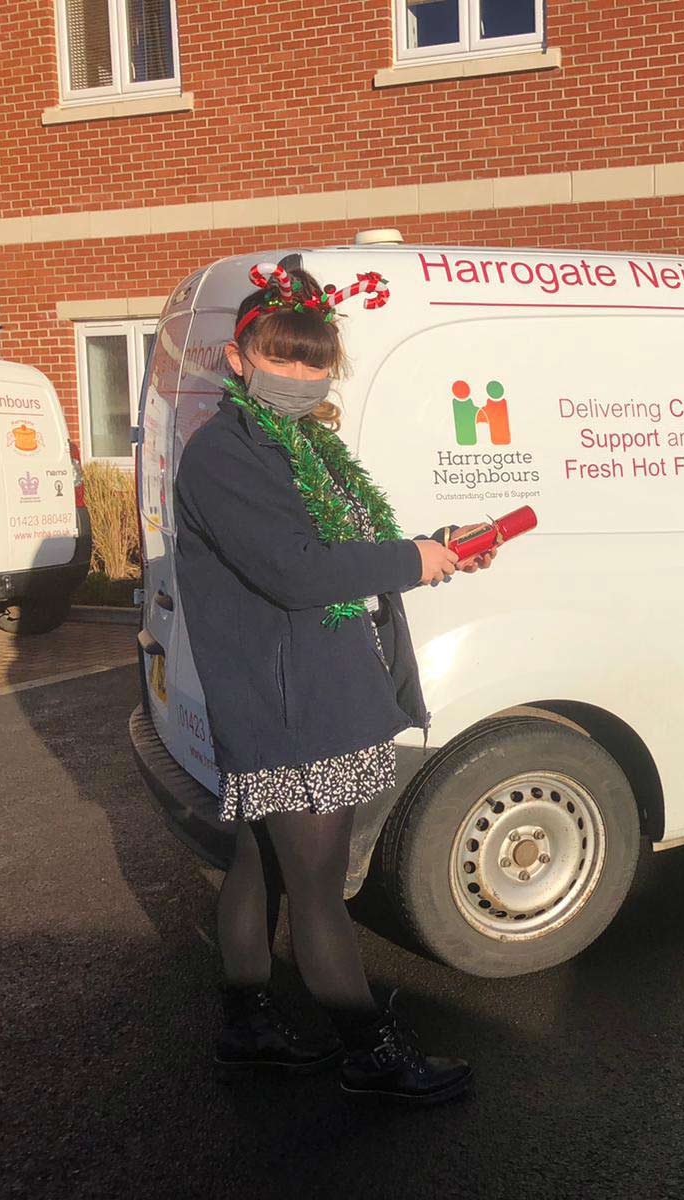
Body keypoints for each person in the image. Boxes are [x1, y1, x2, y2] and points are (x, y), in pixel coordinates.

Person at [175, 263, 489, 1101]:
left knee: (261, 865)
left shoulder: (302, 445)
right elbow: (296, 570)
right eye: (282, 356)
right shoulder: (225, 453)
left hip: (304, 686)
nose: (300, 374)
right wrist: (412, 561)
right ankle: (368, 1051)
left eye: (315, 360)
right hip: (292, 703)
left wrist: (435, 546)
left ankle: (247, 1030)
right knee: (316, 890)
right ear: (239, 359)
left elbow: (338, 551)